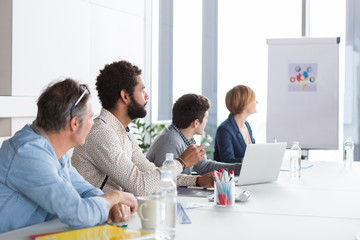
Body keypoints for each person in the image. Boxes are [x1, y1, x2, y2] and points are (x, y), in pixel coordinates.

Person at [0, 79, 137, 234]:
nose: (93, 123)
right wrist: (115, 197)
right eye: (90, 117)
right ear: (74, 124)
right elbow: (79, 214)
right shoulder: (29, 154)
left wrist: (111, 204)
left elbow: (84, 190)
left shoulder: (54, 149)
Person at [72, 60, 213, 197]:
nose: (147, 96)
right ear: (125, 96)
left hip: (114, 213)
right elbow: (141, 186)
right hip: (96, 217)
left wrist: (197, 180)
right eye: (141, 91)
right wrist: (181, 163)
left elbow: (153, 174)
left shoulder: (123, 133)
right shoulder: (102, 134)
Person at [147, 93, 242, 175]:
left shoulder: (185, 137)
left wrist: (241, 168)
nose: (207, 121)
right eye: (206, 118)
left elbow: (204, 166)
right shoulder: (169, 143)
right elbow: (164, 180)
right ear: (196, 123)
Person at [213, 85, 257, 163]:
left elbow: (253, 153)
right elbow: (227, 161)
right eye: (253, 99)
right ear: (245, 103)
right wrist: (248, 160)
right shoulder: (225, 129)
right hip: (232, 174)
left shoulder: (247, 125)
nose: (257, 102)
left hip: (246, 173)